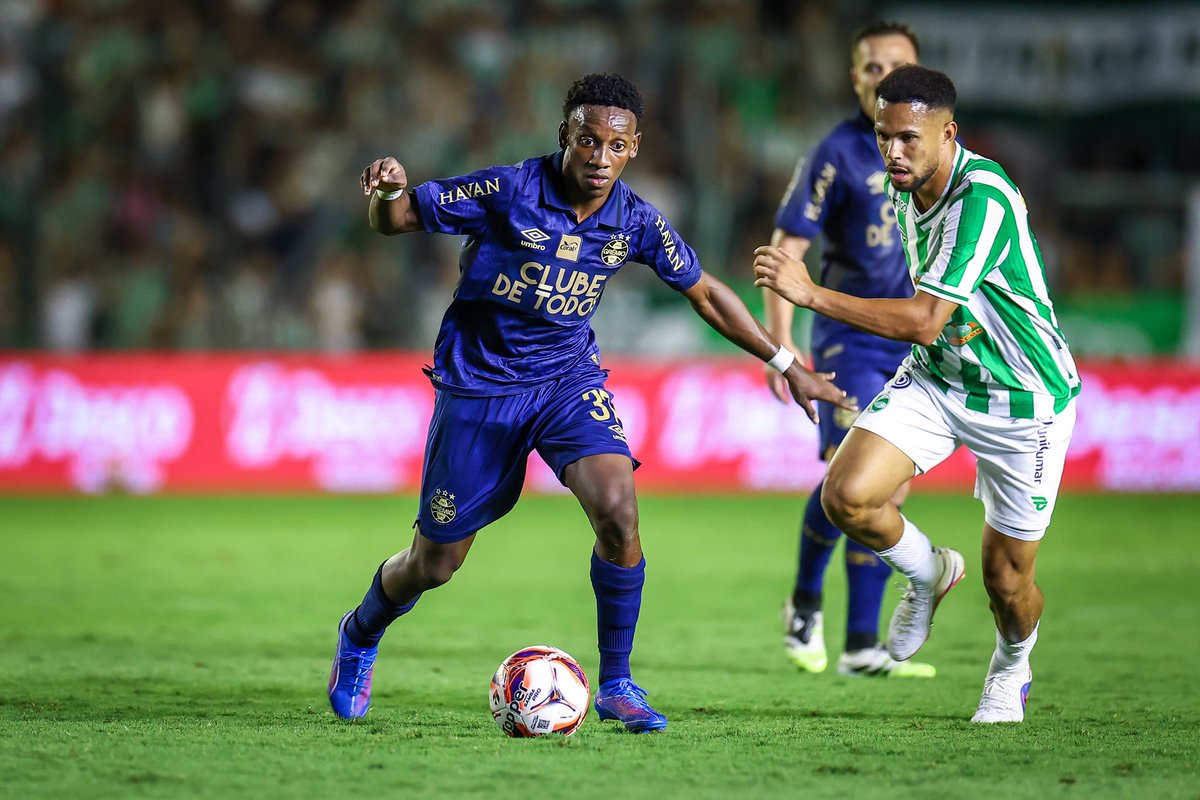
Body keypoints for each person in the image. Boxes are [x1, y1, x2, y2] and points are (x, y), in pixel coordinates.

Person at [329, 73, 852, 732]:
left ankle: (618, 683)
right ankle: (361, 633)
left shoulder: (633, 218)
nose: (599, 158)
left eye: (614, 145)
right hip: (481, 389)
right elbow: (397, 219)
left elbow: (705, 291)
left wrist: (785, 362)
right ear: (565, 137)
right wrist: (386, 193)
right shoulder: (505, 190)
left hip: (567, 382)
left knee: (617, 509)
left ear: (633, 148)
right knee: (435, 563)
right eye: (588, 142)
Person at [754, 64, 1080, 723]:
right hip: (940, 377)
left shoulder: (982, 197)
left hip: (1024, 400)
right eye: (882, 137)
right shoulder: (906, 188)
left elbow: (927, 315)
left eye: (907, 138)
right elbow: (935, 328)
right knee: (845, 496)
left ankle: (1010, 670)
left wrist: (811, 293)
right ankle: (928, 572)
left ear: (947, 133)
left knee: (1007, 583)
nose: (892, 153)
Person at [763, 22, 935, 678]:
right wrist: (781, 346)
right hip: (848, 339)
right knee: (849, 475)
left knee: (886, 494)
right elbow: (787, 249)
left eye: (898, 66)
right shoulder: (836, 151)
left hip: (915, 343)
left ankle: (862, 645)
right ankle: (806, 602)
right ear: (855, 78)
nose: (884, 77)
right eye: (871, 68)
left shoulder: (940, 150)